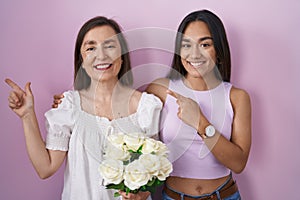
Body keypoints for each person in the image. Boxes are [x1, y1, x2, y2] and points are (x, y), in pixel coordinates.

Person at [5, 16, 162, 200]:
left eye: (110, 46)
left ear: (122, 55)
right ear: (82, 60)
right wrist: (26, 116)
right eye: (91, 48)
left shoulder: (146, 107)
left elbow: (153, 171)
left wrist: (143, 194)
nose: (101, 55)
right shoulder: (69, 105)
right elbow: (45, 168)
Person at [145, 9, 252, 199]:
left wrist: (200, 122)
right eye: (187, 45)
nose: (194, 54)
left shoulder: (236, 97)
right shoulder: (160, 90)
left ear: (218, 50)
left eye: (205, 44)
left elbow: (238, 164)